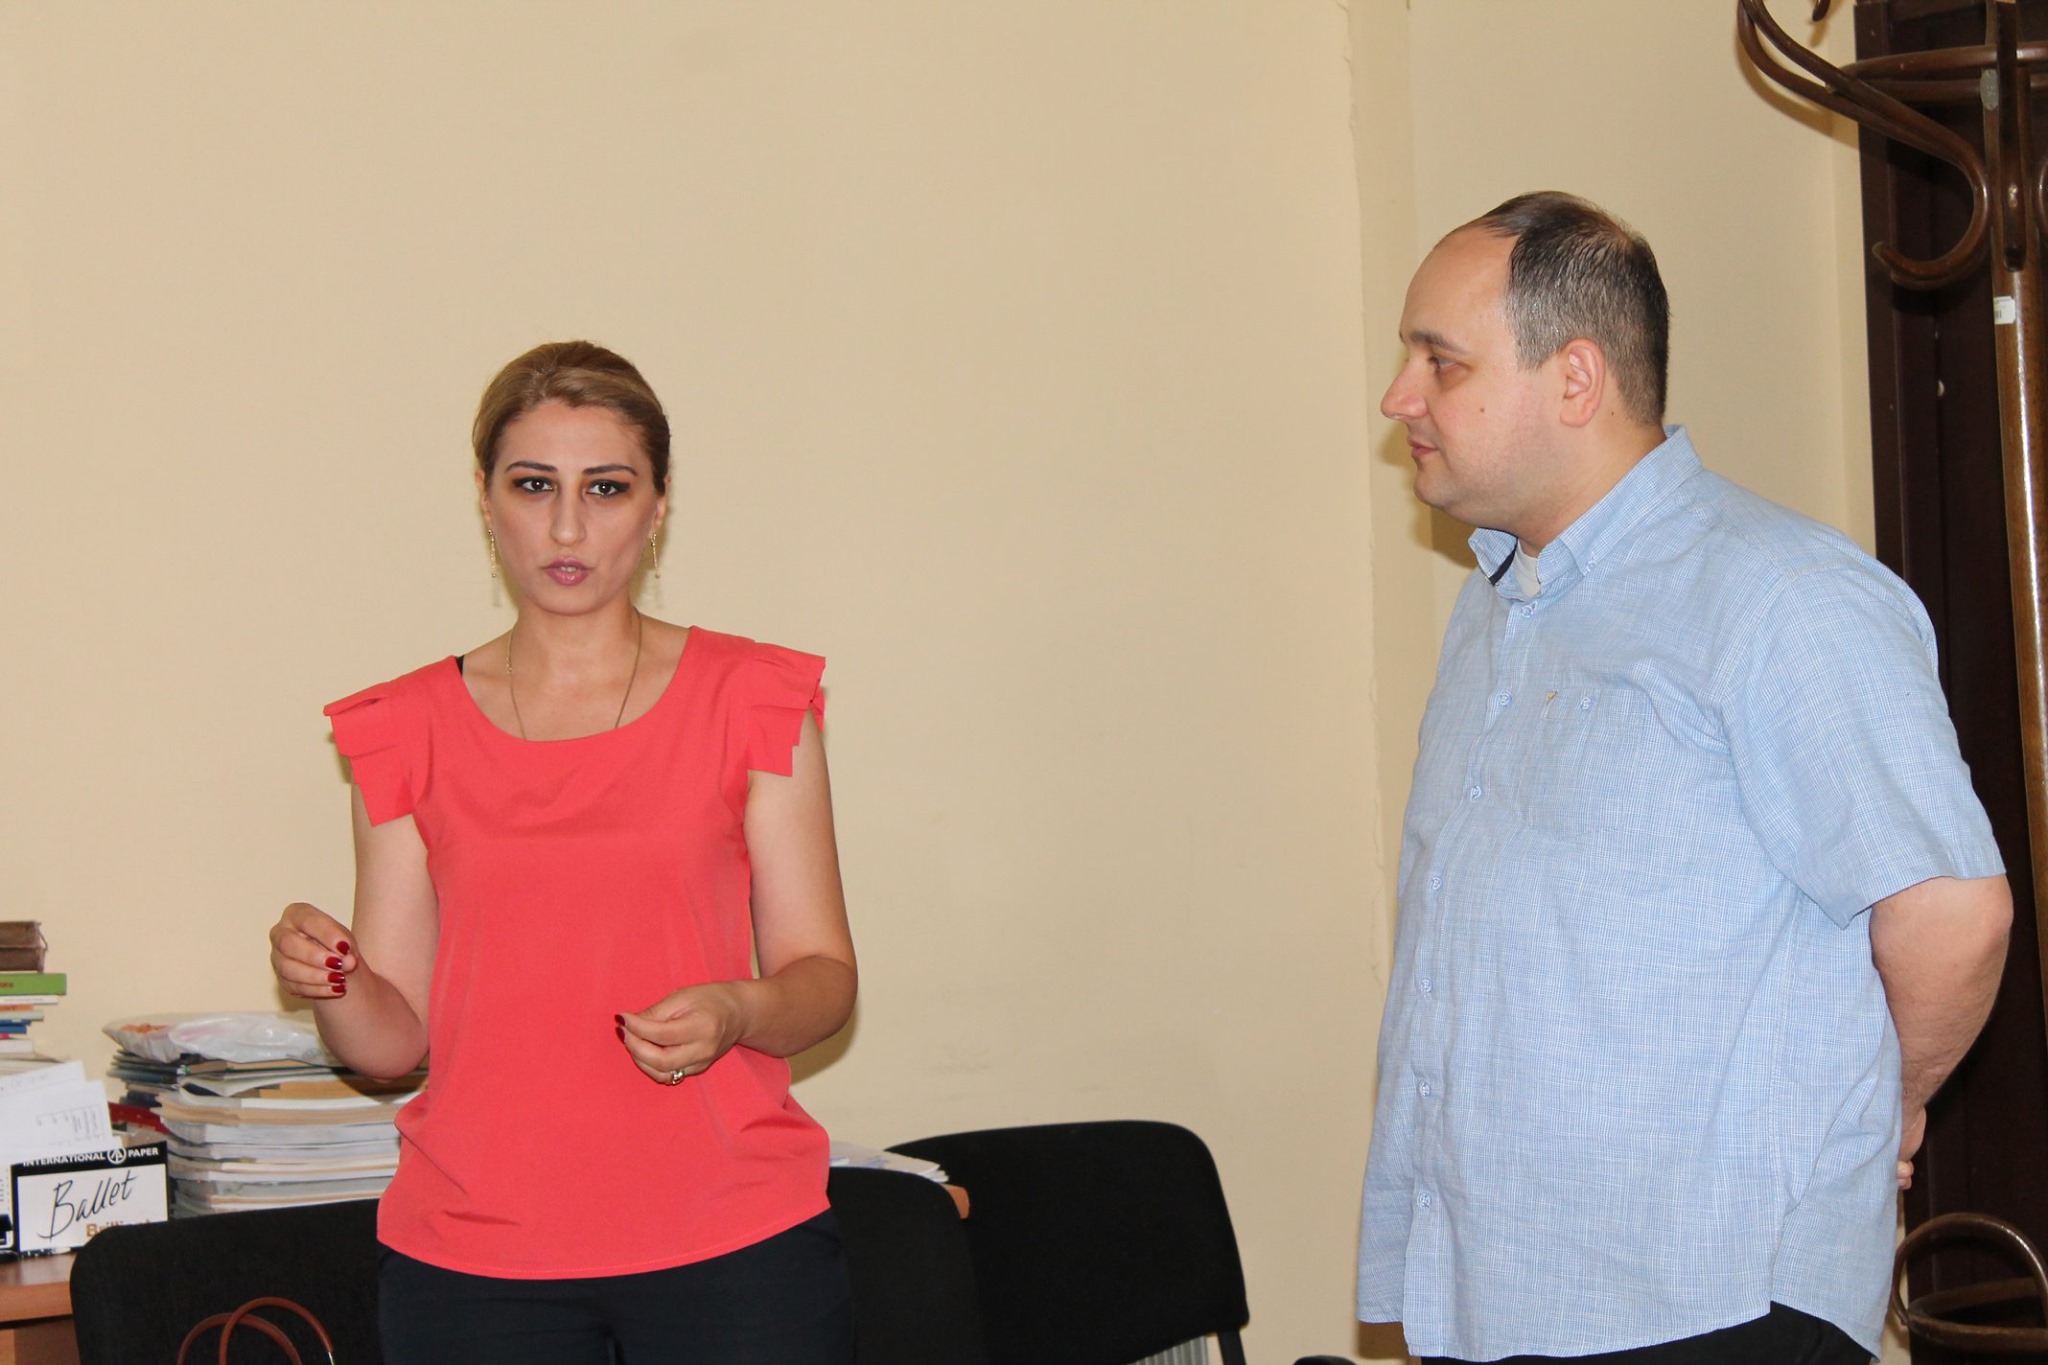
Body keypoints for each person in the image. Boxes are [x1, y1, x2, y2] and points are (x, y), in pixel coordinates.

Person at [1358, 193, 2012, 1365]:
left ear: (1574, 378)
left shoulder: (1781, 600)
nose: (1399, 397)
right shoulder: (1493, 606)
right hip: (1503, 1285)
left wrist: (1886, 1100)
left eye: (1438, 362)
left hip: (1708, 1298)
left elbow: (1951, 912)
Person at [268, 341, 858, 1365]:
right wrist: (333, 977)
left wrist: (738, 1009)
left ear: (658, 505)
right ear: (486, 497)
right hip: (475, 1262)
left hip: (732, 1243)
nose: (569, 527)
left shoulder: (753, 697)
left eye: (607, 487)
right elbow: (392, 1045)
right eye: (534, 485)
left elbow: (824, 978)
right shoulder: (402, 726)